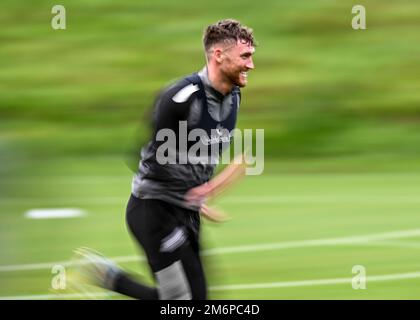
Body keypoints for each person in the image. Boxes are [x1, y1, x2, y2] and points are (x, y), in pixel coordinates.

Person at [76, 18, 256, 300]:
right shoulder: (180, 97)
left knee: (191, 300)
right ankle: (107, 277)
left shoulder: (234, 98)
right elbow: (142, 157)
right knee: (181, 301)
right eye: (245, 56)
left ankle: (106, 276)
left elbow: (200, 155)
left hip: (186, 213)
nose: (251, 65)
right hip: (154, 211)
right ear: (219, 55)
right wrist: (196, 190)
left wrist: (202, 193)